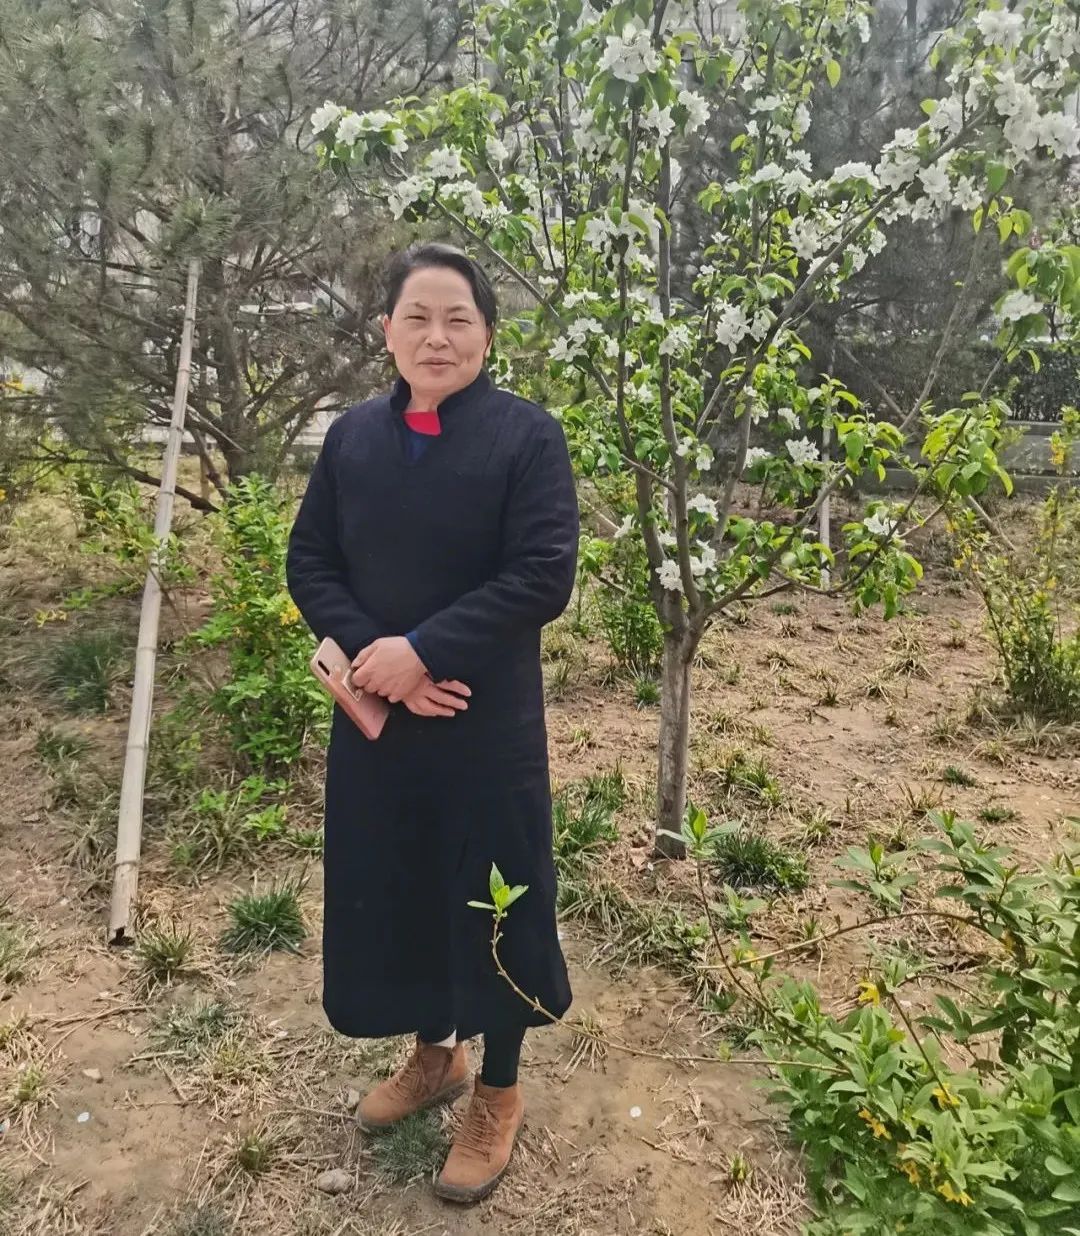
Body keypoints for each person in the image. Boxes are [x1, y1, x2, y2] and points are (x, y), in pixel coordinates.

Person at [285, 242, 579, 1204]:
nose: (437, 336)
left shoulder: (525, 437)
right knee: (403, 884)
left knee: (494, 899)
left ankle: (498, 1090)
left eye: (459, 318)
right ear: (387, 332)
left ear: (488, 334)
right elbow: (309, 562)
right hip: (383, 723)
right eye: (417, 316)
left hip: (484, 723)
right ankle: (436, 1054)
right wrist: (385, 664)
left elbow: (543, 574)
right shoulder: (352, 439)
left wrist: (428, 650)